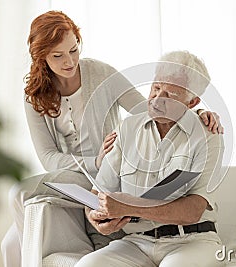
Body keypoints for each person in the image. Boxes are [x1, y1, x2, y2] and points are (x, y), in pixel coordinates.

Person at [0, 11, 223, 267]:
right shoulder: (35, 95)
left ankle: (87, 247)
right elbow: (48, 157)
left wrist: (195, 114)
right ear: (41, 57)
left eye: (74, 50)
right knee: (16, 208)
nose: (70, 61)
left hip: (112, 173)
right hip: (78, 172)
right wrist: (97, 161)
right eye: (58, 55)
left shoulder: (101, 73)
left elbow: (148, 109)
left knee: (15, 236)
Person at [76, 50, 224, 267]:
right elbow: (98, 193)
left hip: (192, 241)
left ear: (192, 102)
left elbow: (193, 210)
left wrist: (128, 207)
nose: (157, 99)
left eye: (171, 95)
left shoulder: (208, 134)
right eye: (156, 88)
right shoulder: (127, 128)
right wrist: (96, 218)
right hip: (137, 242)